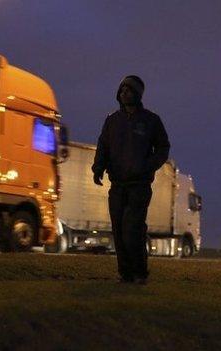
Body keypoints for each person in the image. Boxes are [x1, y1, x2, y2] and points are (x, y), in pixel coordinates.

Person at [92, 75, 170, 285]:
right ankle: (125, 274)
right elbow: (103, 146)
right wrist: (98, 168)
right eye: (122, 90)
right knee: (118, 230)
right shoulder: (112, 121)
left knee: (132, 228)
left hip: (139, 186)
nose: (124, 93)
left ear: (137, 94)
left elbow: (163, 148)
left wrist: (146, 166)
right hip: (117, 185)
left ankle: (140, 273)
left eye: (129, 90)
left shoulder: (151, 121)